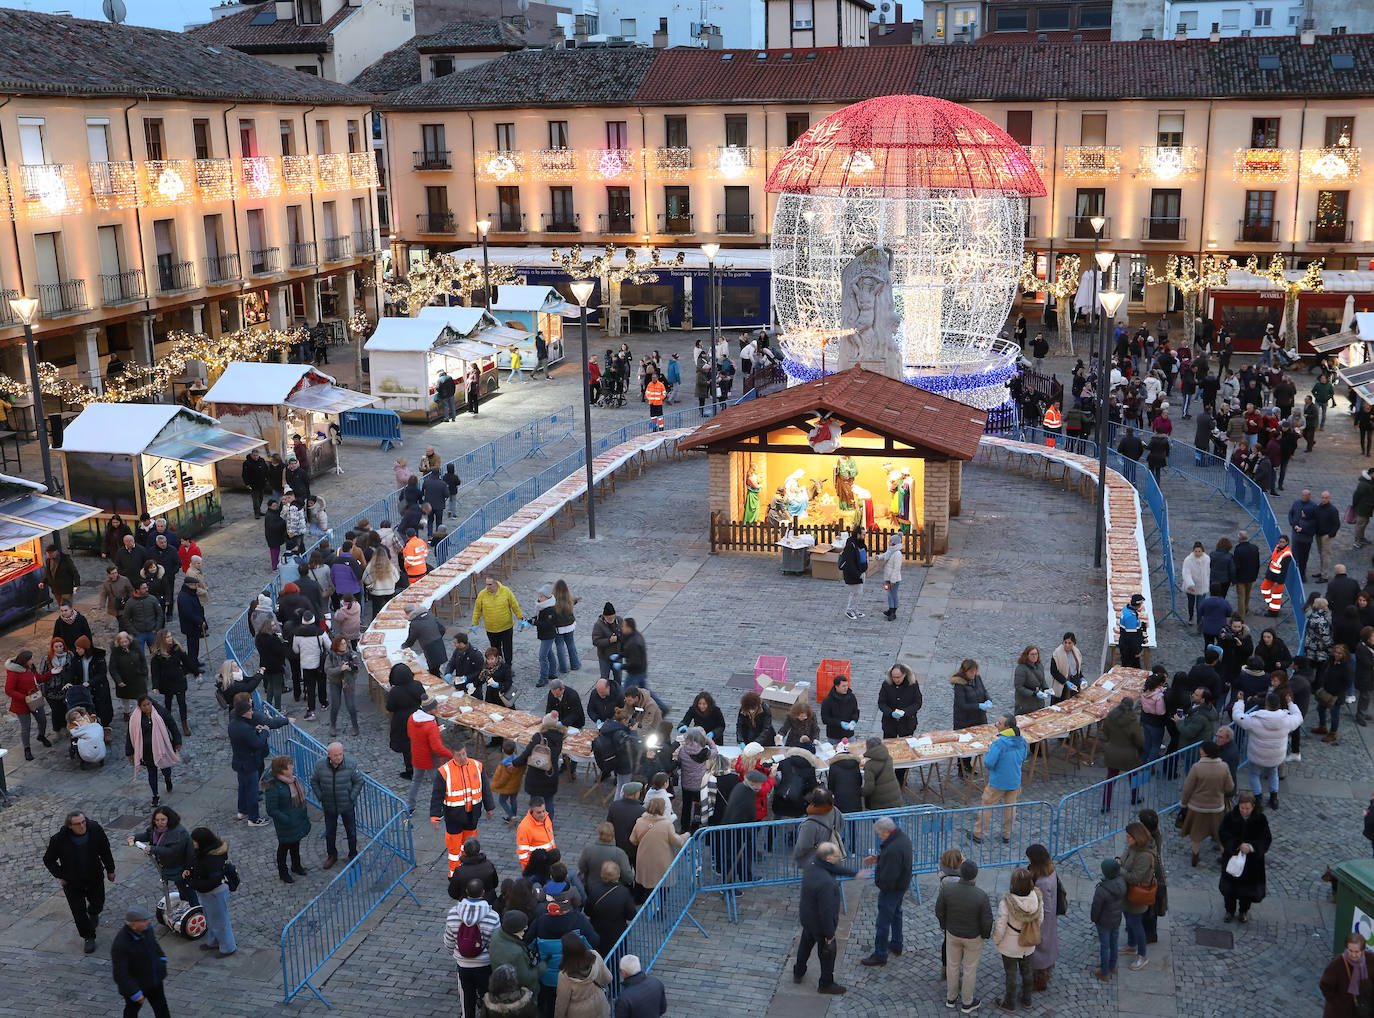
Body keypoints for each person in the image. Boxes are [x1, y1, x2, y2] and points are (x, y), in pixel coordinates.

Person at [45, 811, 116, 953]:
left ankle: (94, 912)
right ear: (70, 826)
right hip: (72, 882)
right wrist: (61, 875)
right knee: (78, 911)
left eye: (83, 822)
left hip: (94, 877)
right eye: (78, 824)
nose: (82, 826)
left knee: (98, 903)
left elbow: (105, 850)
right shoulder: (59, 839)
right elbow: (48, 860)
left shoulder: (95, 830)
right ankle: (88, 936)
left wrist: (110, 869)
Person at [791, 842, 851, 996]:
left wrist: (854, 873)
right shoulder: (827, 883)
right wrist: (830, 934)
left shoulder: (812, 863)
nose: (838, 858)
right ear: (829, 858)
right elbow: (826, 911)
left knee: (805, 945)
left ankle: (798, 972)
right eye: (836, 856)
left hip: (807, 918)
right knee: (827, 953)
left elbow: (833, 868)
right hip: (820, 925)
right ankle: (826, 983)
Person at [431, 732, 496, 875]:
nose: (463, 757)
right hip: (453, 817)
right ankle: (454, 874)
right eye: (459, 755)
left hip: (472, 815)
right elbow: (437, 796)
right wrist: (435, 816)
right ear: (452, 755)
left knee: (470, 846)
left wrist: (489, 807)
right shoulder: (444, 772)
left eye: (464, 754)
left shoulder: (477, 766)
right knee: (454, 849)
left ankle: (469, 870)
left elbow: (485, 789)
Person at [936, 859, 994, 1012]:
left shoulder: (947, 889)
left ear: (961, 872)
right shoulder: (981, 896)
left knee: (952, 966)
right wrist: (984, 935)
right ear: (975, 876)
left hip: (953, 934)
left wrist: (945, 926)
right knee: (969, 969)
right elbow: (987, 920)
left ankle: (951, 998)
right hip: (973, 938)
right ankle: (967, 1002)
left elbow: (939, 910)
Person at [1231, 692, 1303, 809]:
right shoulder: (1286, 720)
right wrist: (1290, 703)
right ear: (1279, 704)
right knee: (1273, 773)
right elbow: (1299, 717)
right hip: (1276, 756)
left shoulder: (1254, 719)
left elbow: (1237, 716)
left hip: (1257, 755)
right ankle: (1274, 798)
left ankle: (1258, 798)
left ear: (1266, 704)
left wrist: (1240, 702)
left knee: (1254, 774)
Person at [858, 816, 912, 967]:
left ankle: (880, 954)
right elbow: (895, 859)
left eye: (879, 833)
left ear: (886, 832)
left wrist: (879, 882)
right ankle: (896, 944)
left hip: (891, 890)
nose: (878, 836)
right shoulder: (902, 838)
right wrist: (879, 858)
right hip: (901, 886)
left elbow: (888, 876)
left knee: (882, 923)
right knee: (896, 914)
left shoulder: (893, 849)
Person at [445, 877, 500, 1018]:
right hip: (484, 965)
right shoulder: (493, 916)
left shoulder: (453, 913)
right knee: (487, 997)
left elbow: (449, 940)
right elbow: (495, 944)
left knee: (467, 998)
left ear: (466, 891)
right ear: (483, 892)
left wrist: (454, 953)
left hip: (463, 965)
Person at [991, 867, 1043, 1014]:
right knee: (1027, 971)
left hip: (1010, 946)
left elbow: (1000, 926)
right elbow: (1040, 920)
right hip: (1028, 944)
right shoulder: (1037, 899)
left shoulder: (1006, 903)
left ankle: (1009, 1003)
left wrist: (996, 940)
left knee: (1011, 974)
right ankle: (1027, 1000)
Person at [1219, 790, 1272, 922]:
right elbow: (1223, 834)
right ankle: (1229, 911)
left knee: (1247, 890)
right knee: (1230, 888)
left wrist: (1251, 847)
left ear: (1253, 806)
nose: (1244, 811)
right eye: (1242, 808)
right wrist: (1238, 845)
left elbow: (1265, 839)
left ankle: (1243, 911)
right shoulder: (1230, 817)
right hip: (1232, 858)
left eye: (1247, 808)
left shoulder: (1260, 819)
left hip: (1252, 862)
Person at [1179, 741, 1235, 866]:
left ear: (1206, 752)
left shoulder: (1196, 767)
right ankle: (1225, 858)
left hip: (1197, 807)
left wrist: (1183, 804)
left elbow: (1187, 789)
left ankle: (1195, 857)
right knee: (1220, 834)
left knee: (1196, 834)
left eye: (1202, 750)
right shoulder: (1224, 766)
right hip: (1217, 807)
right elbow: (1230, 787)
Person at [973, 716, 1027, 843]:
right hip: (1014, 781)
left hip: (998, 782)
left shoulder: (998, 744)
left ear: (1007, 727)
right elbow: (1023, 757)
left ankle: (978, 834)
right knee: (1010, 808)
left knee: (987, 806)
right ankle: (1006, 835)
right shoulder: (1022, 741)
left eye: (1000, 723)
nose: (996, 724)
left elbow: (989, 763)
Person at [110, 905, 171, 1018]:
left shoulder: (147, 929)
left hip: (154, 980)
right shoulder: (121, 944)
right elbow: (120, 973)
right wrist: (134, 992)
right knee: (132, 1011)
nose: (148, 922)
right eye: (143, 921)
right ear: (133, 925)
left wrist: (162, 959)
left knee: (162, 1008)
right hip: (137, 985)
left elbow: (154, 945)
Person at [310, 741, 363, 868]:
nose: (339, 757)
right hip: (329, 805)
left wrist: (351, 797)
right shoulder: (320, 765)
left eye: (341, 754)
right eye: (336, 755)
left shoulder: (351, 764)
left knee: (351, 832)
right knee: (330, 832)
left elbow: (359, 781)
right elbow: (314, 781)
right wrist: (321, 796)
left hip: (346, 805)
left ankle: (353, 854)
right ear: (329, 755)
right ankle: (332, 855)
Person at [125, 695, 180, 806]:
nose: (147, 707)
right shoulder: (135, 718)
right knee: (152, 773)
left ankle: (168, 779)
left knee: (165, 768)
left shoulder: (161, 712)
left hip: (162, 747)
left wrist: (177, 741)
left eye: (148, 704)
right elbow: (130, 735)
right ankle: (155, 795)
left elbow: (172, 725)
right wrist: (129, 752)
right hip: (147, 751)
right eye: (144, 705)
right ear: (140, 707)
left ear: (151, 703)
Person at [1118, 821, 1157, 969]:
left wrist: (1118, 869)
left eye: (1129, 836)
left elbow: (1135, 878)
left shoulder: (1145, 855)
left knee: (1135, 924)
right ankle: (1131, 945)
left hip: (1137, 895)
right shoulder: (1132, 846)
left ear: (1137, 837)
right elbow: (1123, 859)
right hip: (1127, 892)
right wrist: (1118, 861)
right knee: (1129, 919)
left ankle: (1142, 955)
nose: (1126, 839)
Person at [552, 931, 612, 1017]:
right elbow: (608, 978)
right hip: (600, 1008)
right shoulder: (595, 956)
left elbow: (561, 1004)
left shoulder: (564, 975)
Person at [6, 649, 51, 760]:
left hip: (34, 700)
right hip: (21, 704)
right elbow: (9, 690)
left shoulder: (30, 668)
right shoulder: (14, 673)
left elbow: (39, 679)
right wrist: (24, 698)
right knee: (26, 727)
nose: (32, 661)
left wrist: (51, 673)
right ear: (24, 661)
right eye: (30, 659)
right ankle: (27, 749)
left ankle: (41, 736)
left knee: (42, 720)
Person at [472, 573, 524, 663]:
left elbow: (514, 605)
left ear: (496, 583)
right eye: (486, 584)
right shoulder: (482, 594)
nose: (487, 587)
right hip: (491, 629)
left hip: (506, 627)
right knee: (495, 650)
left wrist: (520, 618)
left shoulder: (506, 591)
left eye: (490, 584)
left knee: (507, 648)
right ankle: (498, 665)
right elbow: (477, 610)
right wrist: (474, 623)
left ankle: (508, 665)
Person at [1322, 931, 1374, 1018]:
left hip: (1363, 1008)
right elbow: (1325, 985)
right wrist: (1337, 1002)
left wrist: (1368, 987)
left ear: (1363, 950)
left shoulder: (1371, 960)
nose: (1353, 955)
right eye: (1350, 951)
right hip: (1340, 1012)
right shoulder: (1337, 963)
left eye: (1357, 951)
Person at [1090, 858, 1127, 981]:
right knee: (1114, 943)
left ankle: (1104, 972)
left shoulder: (1102, 889)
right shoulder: (1122, 882)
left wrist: (1094, 919)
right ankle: (1113, 965)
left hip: (1104, 922)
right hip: (1116, 919)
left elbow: (1096, 908)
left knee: (1105, 946)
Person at [386, 663, 425, 778]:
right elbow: (423, 698)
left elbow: (390, 707)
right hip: (417, 717)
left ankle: (410, 770)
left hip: (402, 721)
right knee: (417, 743)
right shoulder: (417, 685)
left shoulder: (395, 692)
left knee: (407, 747)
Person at [878, 662, 922, 739]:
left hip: (907, 724)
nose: (896, 680)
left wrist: (905, 712)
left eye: (898, 677)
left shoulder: (912, 684)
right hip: (890, 725)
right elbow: (881, 703)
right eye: (894, 677)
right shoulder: (886, 684)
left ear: (904, 675)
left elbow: (917, 703)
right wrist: (890, 712)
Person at [838, 524, 868, 620]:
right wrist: (857, 574)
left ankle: (854, 609)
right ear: (858, 534)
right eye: (863, 534)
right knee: (856, 592)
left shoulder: (860, 544)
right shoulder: (851, 545)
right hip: (854, 574)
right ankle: (849, 610)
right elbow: (850, 562)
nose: (864, 536)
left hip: (860, 571)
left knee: (858, 593)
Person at [1260, 535, 1293, 617]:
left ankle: (1274, 612)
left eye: (1283, 542)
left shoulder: (1287, 554)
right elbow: (1272, 560)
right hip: (1270, 575)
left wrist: (1278, 582)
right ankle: (1271, 605)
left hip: (1278, 579)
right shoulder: (1277, 548)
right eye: (1280, 541)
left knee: (1276, 596)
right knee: (1264, 588)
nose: (1281, 543)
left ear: (1287, 543)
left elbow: (1283, 571)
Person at [819, 674, 859, 740]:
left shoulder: (851, 697)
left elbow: (855, 711)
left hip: (849, 735)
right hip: (834, 736)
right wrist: (840, 723)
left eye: (847, 685)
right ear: (836, 686)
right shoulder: (828, 701)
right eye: (843, 686)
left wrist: (854, 720)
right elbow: (825, 719)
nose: (846, 688)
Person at [1013, 645, 1051, 716]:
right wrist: (1034, 693)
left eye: (1036, 654)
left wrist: (1046, 689)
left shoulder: (1039, 665)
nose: (1034, 656)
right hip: (1025, 703)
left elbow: (1042, 681)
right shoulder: (1021, 669)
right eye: (1032, 654)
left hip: (1039, 702)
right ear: (1027, 655)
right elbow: (1019, 687)